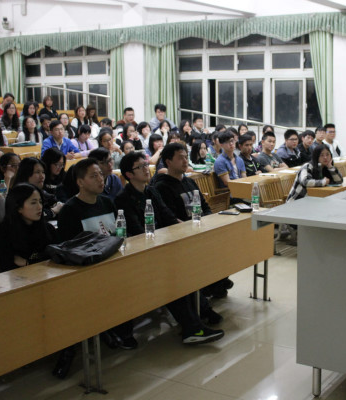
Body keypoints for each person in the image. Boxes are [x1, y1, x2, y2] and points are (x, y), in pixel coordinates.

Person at [117, 151, 224, 343]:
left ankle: (201, 312)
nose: (146, 169)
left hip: (161, 245)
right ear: (129, 174)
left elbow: (167, 216)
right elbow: (136, 231)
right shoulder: (123, 198)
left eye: (145, 164)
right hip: (142, 253)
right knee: (173, 274)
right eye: (140, 167)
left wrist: (185, 229)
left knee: (185, 265)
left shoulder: (151, 191)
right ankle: (193, 328)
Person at [56, 158, 137, 379]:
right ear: (80, 182)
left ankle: (121, 330)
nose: (101, 179)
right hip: (87, 270)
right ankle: (109, 330)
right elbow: (70, 250)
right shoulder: (70, 210)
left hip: (113, 262)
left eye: (101, 174)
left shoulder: (107, 203)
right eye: (94, 176)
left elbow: (118, 234)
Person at [154, 143, 234, 298]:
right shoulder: (162, 186)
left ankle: (217, 281)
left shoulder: (189, 181)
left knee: (224, 241)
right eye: (180, 158)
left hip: (200, 229)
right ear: (168, 162)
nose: (185, 161)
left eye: (186, 157)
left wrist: (209, 220)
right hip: (182, 235)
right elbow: (169, 217)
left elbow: (205, 206)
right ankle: (213, 284)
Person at [0, 183, 58, 272]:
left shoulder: (48, 228)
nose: (39, 207)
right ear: (19, 207)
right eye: (33, 203)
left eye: (40, 202)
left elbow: (56, 258)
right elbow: (6, 266)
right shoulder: (5, 231)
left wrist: (27, 263)